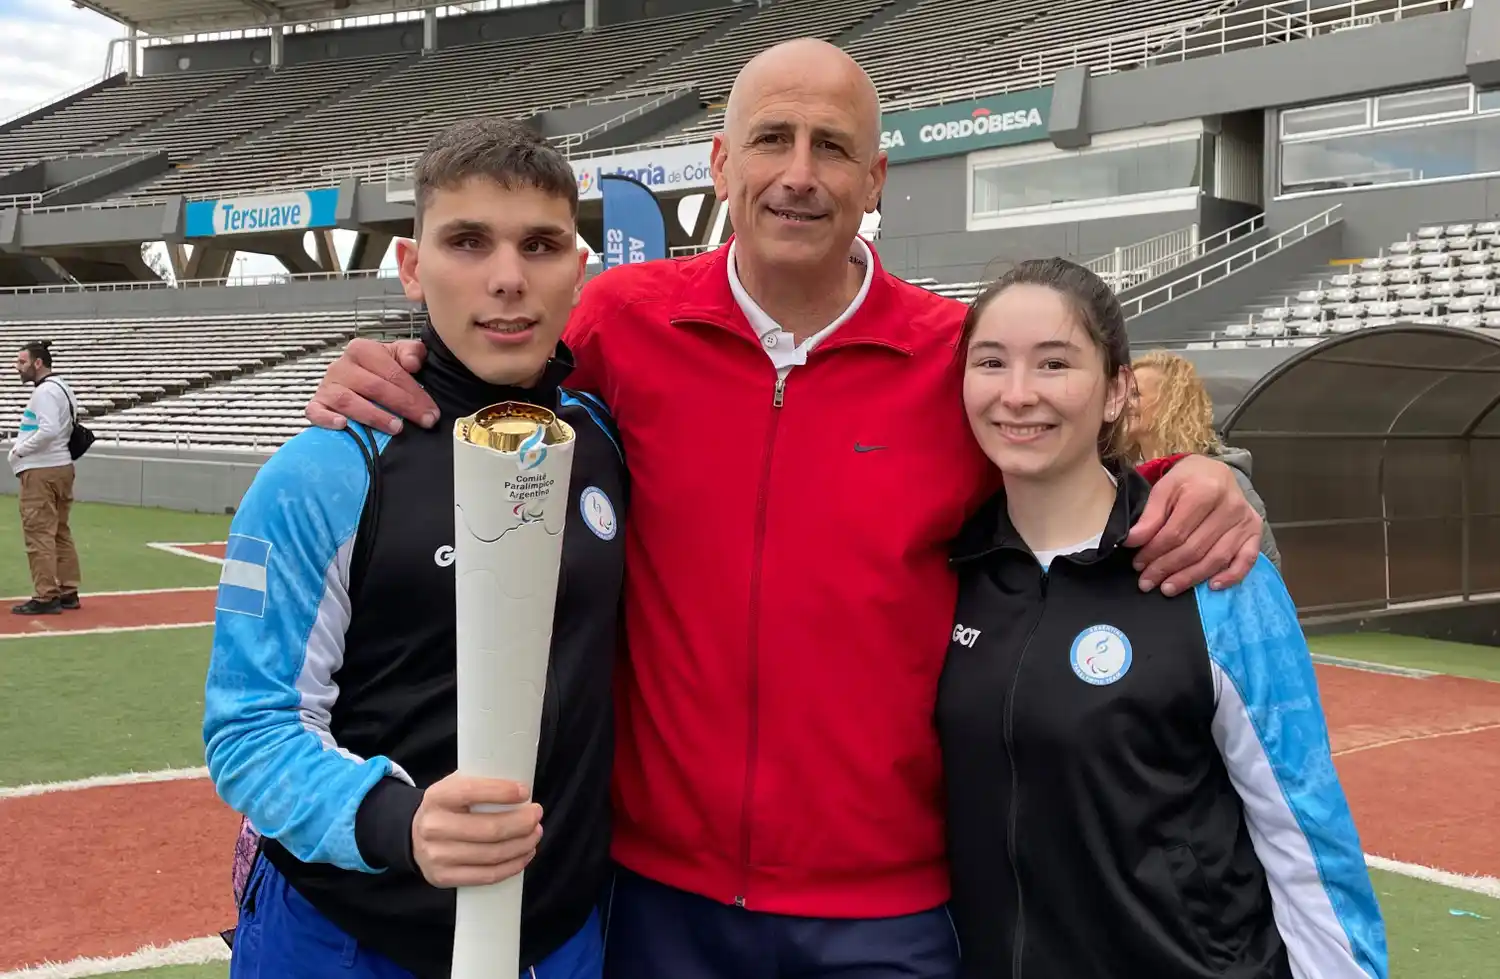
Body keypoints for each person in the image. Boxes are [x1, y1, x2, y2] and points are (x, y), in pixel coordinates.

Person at [303, 39, 1265, 978]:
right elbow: (492, 364)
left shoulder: (953, 357)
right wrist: (387, 353)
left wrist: (1205, 475)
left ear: (877, 177)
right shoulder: (621, 321)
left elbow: (1070, 472)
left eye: (832, 146)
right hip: (653, 893)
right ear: (721, 163)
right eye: (771, 139)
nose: (798, 174)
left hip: (888, 909)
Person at [203, 118, 626, 979]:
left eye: (541, 244)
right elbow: (248, 730)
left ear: (579, 270)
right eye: (467, 241)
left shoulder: (605, 444)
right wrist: (399, 822)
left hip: (561, 936)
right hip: (351, 938)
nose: (507, 278)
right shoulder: (328, 465)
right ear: (409, 264)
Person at [939, 258, 1387, 979]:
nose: (1017, 394)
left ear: (1117, 392)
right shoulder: (949, 570)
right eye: (991, 362)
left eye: (1055, 363)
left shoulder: (1214, 570)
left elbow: (1305, 831)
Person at [1131, 349, 1281, 569]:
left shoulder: (1224, 477)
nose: (1122, 403)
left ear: (1170, 405)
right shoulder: (1122, 475)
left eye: (1135, 394)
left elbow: (1265, 561)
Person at [9, 341, 83, 616]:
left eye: (22, 362)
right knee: (61, 531)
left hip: (42, 470)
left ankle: (46, 595)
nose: (18, 367)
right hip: (62, 466)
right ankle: (67, 590)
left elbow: (49, 430)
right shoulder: (63, 388)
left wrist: (19, 450)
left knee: (38, 534)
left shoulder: (44, 393)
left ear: (37, 363)